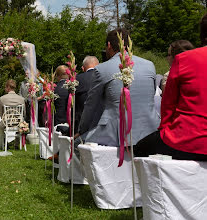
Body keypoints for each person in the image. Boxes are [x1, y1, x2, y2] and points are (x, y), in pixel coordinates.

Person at [135, 13, 207, 161]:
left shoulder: (183, 59)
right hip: (193, 140)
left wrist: (164, 130)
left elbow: (168, 105)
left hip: (188, 139)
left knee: (139, 149)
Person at [77, 28, 159, 146]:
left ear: (109, 45)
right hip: (150, 131)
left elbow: (90, 105)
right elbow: (152, 93)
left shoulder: (101, 69)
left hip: (114, 134)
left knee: (76, 145)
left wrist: (82, 130)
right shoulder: (150, 65)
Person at [75, 56, 99, 132]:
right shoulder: (102, 76)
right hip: (99, 121)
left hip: (81, 121)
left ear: (83, 68)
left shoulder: (78, 79)